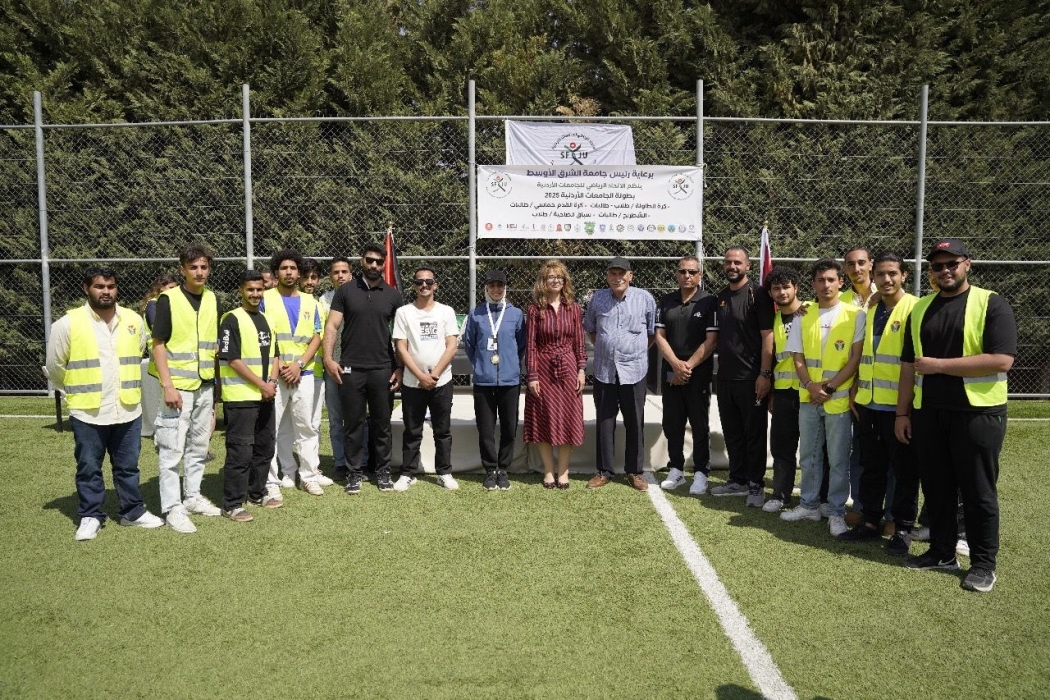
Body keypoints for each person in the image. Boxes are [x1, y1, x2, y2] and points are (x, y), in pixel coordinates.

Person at [896, 238, 1016, 593]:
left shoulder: (991, 303)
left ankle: (983, 564)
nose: (945, 270)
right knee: (937, 488)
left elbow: (1002, 360)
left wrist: (939, 366)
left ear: (968, 264)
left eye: (952, 263)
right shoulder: (920, 309)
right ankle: (942, 552)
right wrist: (902, 413)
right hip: (929, 414)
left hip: (977, 413)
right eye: (938, 266)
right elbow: (908, 366)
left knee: (978, 492)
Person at [46, 267, 164, 541]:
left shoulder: (133, 319)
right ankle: (90, 515)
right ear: (86, 289)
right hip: (88, 410)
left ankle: (132, 512)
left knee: (128, 467)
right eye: (99, 286)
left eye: (110, 286)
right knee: (89, 467)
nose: (106, 292)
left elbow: (138, 354)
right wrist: (77, 390)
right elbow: (55, 367)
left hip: (128, 408)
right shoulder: (67, 323)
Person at [839, 252, 920, 553]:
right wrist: (856, 389)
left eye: (893, 273)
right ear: (874, 277)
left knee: (904, 471)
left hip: (899, 408)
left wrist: (905, 410)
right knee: (871, 467)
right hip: (869, 403)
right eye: (881, 274)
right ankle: (871, 522)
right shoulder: (871, 309)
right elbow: (866, 356)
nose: (887, 279)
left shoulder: (915, 308)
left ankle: (902, 528)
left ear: (904, 276)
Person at [780, 259, 865, 537]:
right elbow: (798, 356)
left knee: (838, 460)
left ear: (841, 282)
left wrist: (828, 389)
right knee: (809, 455)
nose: (826, 285)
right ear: (813, 284)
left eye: (831, 279)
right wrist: (809, 385)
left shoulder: (856, 315)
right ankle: (809, 505)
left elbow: (855, 358)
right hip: (809, 398)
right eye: (820, 280)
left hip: (837, 399)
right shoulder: (803, 314)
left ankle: (836, 511)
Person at [149, 242, 222, 534]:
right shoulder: (168, 299)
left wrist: (214, 389)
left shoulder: (213, 299)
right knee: (171, 450)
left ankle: (192, 496)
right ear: (182, 270)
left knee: (199, 446)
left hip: (204, 385)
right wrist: (167, 385)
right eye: (193, 267)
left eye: (204, 267)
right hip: (178, 388)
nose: (199, 272)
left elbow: (212, 345)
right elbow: (158, 344)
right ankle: (172, 508)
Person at [323, 244, 404, 494]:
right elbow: (332, 326)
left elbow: (401, 335)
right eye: (370, 260)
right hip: (351, 368)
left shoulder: (393, 295)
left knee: (382, 424)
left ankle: (383, 471)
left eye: (379, 262)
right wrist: (328, 358)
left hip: (382, 368)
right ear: (362, 261)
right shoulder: (345, 291)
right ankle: (354, 473)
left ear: (384, 264)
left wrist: (400, 367)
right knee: (353, 424)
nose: (374, 265)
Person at [583, 257, 657, 492]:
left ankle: (634, 471)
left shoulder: (645, 299)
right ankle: (604, 471)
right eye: (613, 274)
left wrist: (634, 352)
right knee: (605, 422)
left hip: (634, 370)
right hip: (605, 370)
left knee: (634, 421)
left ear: (630, 276)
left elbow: (652, 333)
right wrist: (607, 348)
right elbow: (591, 330)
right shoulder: (597, 299)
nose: (617, 278)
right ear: (607, 277)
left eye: (622, 274)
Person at [710, 246, 774, 506]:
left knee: (754, 433)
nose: (732, 266)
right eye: (728, 262)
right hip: (725, 377)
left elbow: (768, 336)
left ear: (748, 266)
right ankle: (738, 479)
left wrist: (765, 374)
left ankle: (756, 484)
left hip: (751, 378)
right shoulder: (721, 296)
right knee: (732, 432)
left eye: (738, 262)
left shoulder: (758, 294)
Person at [217, 270, 282, 520]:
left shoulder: (267, 319)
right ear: (241, 291)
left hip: (266, 395)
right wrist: (262, 385)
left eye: (259, 289)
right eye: (250, 290)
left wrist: (272, 382)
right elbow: (232, 359)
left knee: (265, 447)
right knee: (240, 451)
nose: (255, 294)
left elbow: (275, 355)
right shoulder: (231, 319)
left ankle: (257, 493)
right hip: (241, 396)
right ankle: (232, 504)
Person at [261, 249, 324, 499]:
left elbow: (316, 337)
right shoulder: (265, 298)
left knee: (306, 427)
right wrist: (280, 367)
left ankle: (309, 476)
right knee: (272, 428)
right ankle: (272, 481)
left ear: (299, 273)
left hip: (303, 374)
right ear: (276, 272)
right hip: (275, 374)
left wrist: (299, 364)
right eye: (284, 268)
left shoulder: (311, 302)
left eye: (293, 268)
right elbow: (263, 336)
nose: (289, 272)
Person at [392, 266, 461, 491]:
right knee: (412, 430)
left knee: (443, 430)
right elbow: (401, 347)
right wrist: (420, 376)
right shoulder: (404, 312)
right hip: (413, 382)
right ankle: (407, 473)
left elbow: (452, 346)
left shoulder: (446, 312)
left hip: (442, 381)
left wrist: (434, 375)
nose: (424, 285)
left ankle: (444, 472)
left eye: (429, 282)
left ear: (435, 285)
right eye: (419, 282)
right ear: (414, 286)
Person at [654, 255, 718, 494]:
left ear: (699, 275)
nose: (687, 276)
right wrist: (675, 365)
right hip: (671, 372)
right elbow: (659, 336)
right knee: (672, 422)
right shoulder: (666, 301)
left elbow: (711, 341)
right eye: (682, 272)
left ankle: (701, 472)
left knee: (699, 423)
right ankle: (676, 469)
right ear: (677, 274)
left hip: (698, 372)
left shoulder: (709, 301)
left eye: (692, 272)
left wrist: (686, 367)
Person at [523, 260, 587, 489]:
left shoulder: (574, 308)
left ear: (565, 280)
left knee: (568, 417)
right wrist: (532, 375)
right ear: (543, 281)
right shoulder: (535, 309)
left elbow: (579, 342)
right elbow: (531, 345)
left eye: (559, 277)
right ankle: (549, 471)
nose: (556, 280)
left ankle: (564, 471)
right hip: (543, 368)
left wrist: (581, 369)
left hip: (568, 367)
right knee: (544, 417)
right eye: (551, 277)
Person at [463, 269, 526, 491]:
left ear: (505, 288)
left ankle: (504, 469)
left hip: (509, 380)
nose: (496, 290)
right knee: (485, 427)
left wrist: (509, 363)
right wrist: (482, 365)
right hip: (483, 380)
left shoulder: (516, 314)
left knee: (509, 426)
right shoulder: (476, 314)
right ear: (486, 289)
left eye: (500, 285)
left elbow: (521, 345)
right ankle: (490, 469)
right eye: (492, 286)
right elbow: (469, 345)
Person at [762, 266, 804, 512]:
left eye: (786, 287)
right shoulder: (774, 320)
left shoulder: (811, 312)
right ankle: (780, 495)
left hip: (809, 392)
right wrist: (773, 393)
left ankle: (817, 498)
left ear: (796, 288)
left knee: (814, 450)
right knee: (781, 446)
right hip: (783, 393)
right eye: (776, 288)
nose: (782, 292)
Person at [299, 257, 335, 487]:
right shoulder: (292, 302)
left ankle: (312, 468)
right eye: (306, 277)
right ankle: (289, 469)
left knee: (313, 422)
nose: (310, 282)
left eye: (314, 277)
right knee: (291, 424)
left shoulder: (319, 305)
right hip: (292, 371)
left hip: (316, 372)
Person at [320, 256, 353, 482]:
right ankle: (340, 462)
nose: (340, 276)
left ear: (351, 274)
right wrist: (329, 359)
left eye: (344, 271)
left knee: (357, 417)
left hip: (357, 365)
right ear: (330, 276)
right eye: (335, 272)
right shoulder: (323, 300)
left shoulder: (360, 295)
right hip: (332, 364)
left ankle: (360, 460)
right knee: (335, 417)